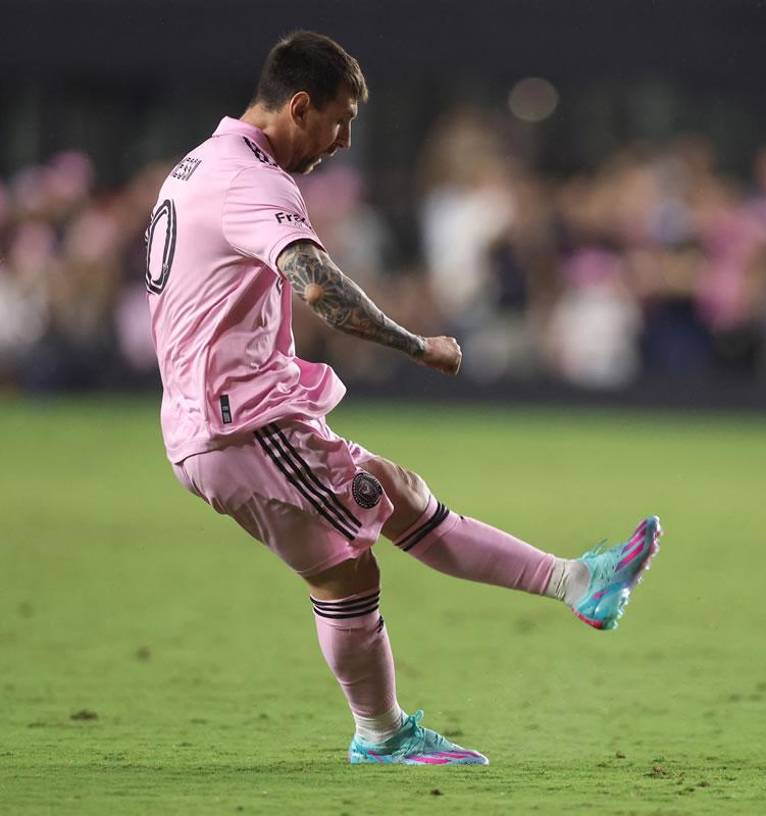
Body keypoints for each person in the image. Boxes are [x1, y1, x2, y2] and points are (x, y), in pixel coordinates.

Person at [145, 31, 661, 767]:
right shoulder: (247, 180)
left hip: (233, 419)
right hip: (240, 429)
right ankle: (382, 735)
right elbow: (318, 286)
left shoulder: (197, 166)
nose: (343, 140)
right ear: (298, 105)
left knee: (396, 489)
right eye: (339, 120)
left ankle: (581, 582)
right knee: (349, 570)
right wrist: (417, 344)